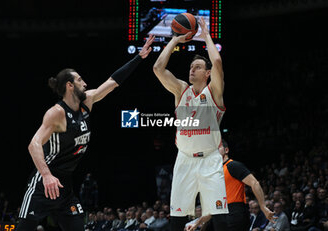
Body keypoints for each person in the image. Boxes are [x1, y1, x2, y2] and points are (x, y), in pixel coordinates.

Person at [16, 35, 155, 231]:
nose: (85, 83)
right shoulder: (57, 113)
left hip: (65, 183)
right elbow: (34, 144)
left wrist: (139, 57)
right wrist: (46, 175)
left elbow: (113, 82)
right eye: (80, 80)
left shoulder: (87, 101)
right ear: (69, 85)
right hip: (44, 182)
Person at [153, 17, 228, 231]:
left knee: (219, 217)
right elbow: (158, 68)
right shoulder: (181, 90)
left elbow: (218, 63)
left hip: (210, 160)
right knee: (177, 219)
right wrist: (175, 39)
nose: (192, 70)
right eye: (191, 67)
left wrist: (206, 36)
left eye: (197, 67)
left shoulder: (213, 92)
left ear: (207, 74)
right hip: (184, 159)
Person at [186, 139, 275, 231]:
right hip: (220, 214)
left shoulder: (233, 165)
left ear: (226, 150)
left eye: (218, 148)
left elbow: (255, 183)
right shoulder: (213, 174)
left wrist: (263, 207)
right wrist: (196, 223)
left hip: (236, 212)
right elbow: (212, 208)